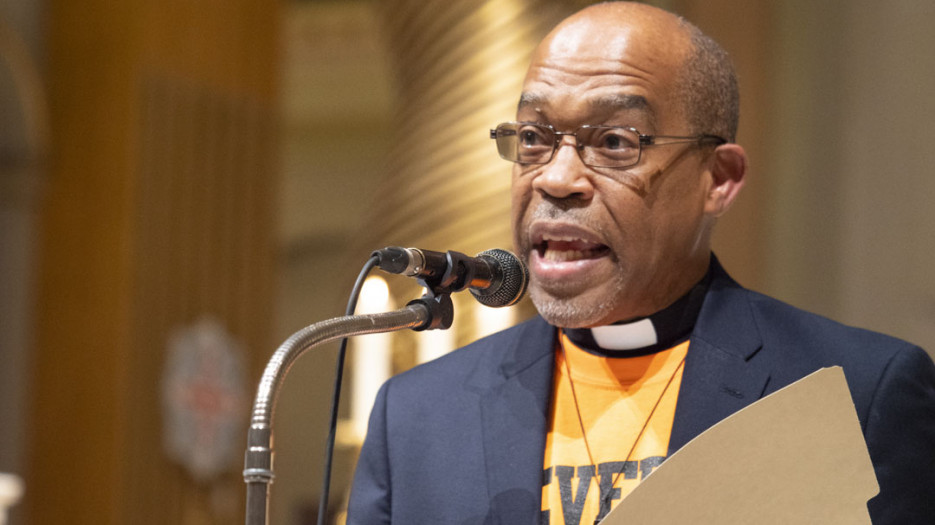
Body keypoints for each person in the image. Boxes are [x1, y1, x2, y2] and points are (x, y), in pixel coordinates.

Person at [346, 2, 935, 524]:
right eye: (532, 137)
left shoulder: (854, 395)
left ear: (718, 179)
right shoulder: (419, 417)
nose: (556, 177)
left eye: (615, 143)